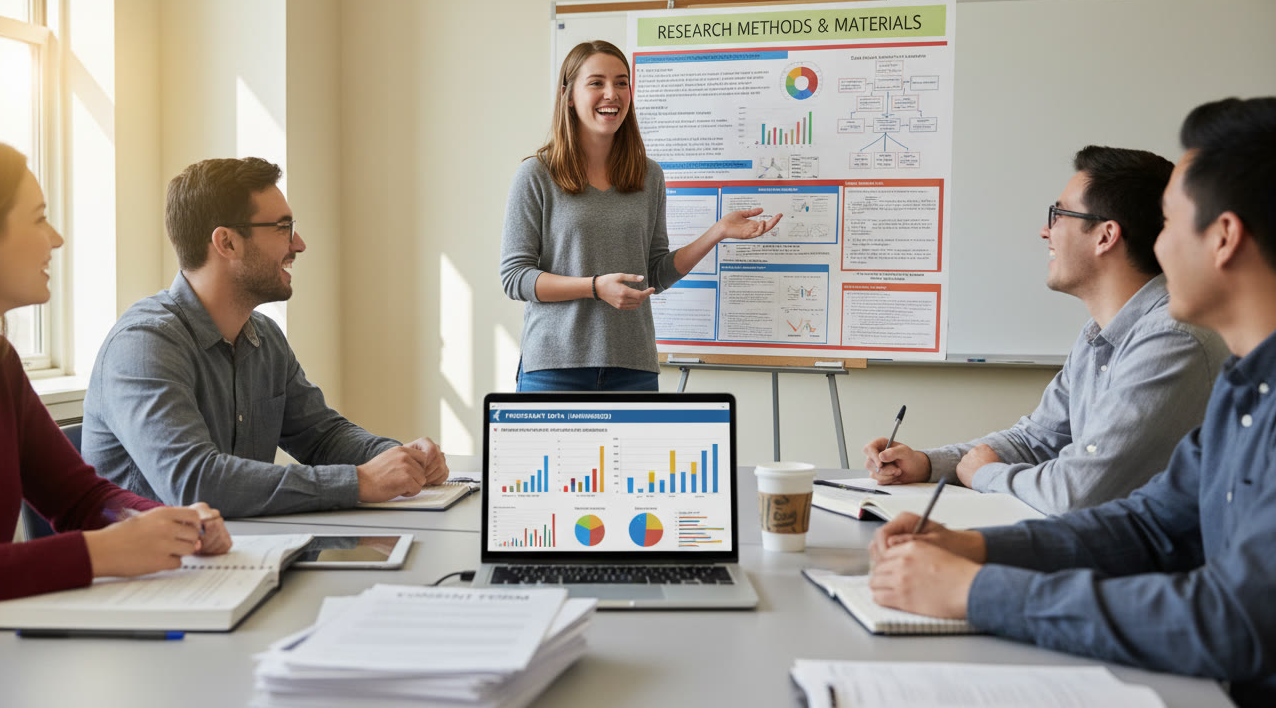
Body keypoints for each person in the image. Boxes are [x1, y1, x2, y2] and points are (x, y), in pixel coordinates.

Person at [867, 97, 1276, 706]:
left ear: (1223, 239)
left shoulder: (1204, 358)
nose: (1158, 248)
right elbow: (1149, 525)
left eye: (1168, 224)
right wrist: (973, 547)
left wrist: (976, 591)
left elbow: (1232, 621)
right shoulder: (1246, 389)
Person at [0, 135, 231, 623]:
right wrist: (96, 554)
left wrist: (160, 521)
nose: (56, 239)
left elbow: (82, 498)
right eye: (37, 219)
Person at [864, 146, 1227, 514]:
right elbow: (1036, 440)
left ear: (1105, 236)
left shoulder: (1171, 339)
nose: (1044, 231)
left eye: (1058, 215)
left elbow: (1078, 491)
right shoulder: (1098, 335)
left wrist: (987, 474)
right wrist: (926, 463)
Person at [82, 157, 447, 519]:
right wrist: (359, 481)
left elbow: (321, 437)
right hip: (161, 558)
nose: (299, 244)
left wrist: (399, 459)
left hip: (241, 548)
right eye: (283, 227)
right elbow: (195, 483)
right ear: (227, 242)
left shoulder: (264, 337)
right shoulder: (144, 345)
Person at [500, 40, 782, 391]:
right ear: (568, 95)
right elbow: (515, 277)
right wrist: (594, 288)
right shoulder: (536, 175)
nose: (612, 94)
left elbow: (655, 275)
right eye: (597, 82)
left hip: (632, 369)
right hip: (555, 369)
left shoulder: (649, 176)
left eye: (621, 83)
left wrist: (718, 232)